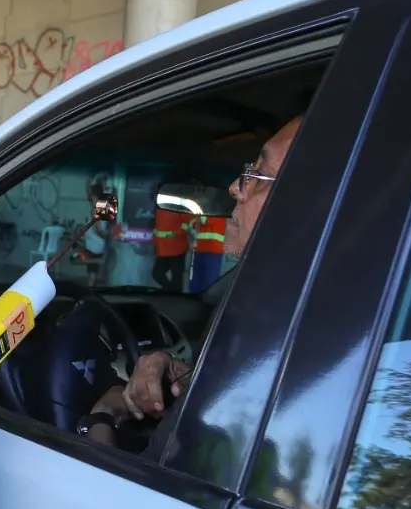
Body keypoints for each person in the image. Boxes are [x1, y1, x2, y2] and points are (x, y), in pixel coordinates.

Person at [84, 116, 303, 445]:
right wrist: (188, 373)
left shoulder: (284, 335)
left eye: (258, 174)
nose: (234, 187)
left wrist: (103, 414)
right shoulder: (276, 311)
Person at [151, 206, 189, 290]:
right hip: (163, 248)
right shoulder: (160, 206)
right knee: (157, 273)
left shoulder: (181, 205)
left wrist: (176, 233)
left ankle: (174, 296)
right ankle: (170, 292)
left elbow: (187, 223)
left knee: (176, 278)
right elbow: (158, 227)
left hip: (177, 248)